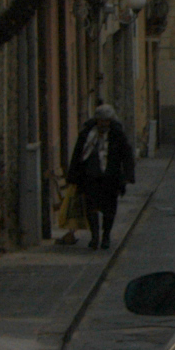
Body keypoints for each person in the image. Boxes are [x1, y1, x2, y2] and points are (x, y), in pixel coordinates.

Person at [66, 103, 136, 251]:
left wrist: (128, 175)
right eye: (101, 120)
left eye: (107, 121)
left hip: (110, 178)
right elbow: (78, 153)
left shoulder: (117, 135)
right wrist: (73, 176)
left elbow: (127, 155)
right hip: (90, 177)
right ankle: (95, 236)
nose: (104, 123)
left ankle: (106, 236)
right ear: (96, 120)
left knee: (109, 210)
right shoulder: (87, 134)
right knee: (91, 208)